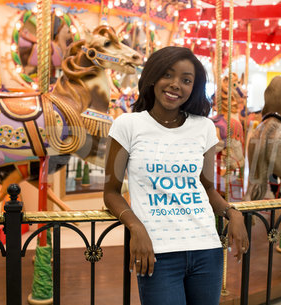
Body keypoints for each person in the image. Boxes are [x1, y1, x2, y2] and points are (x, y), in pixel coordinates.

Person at [104, 46, 249, 305]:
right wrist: (136, 227)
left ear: (194, 87)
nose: (175, 85)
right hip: (157, 252)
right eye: (168, 75)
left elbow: (207, 189)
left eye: (186, 80)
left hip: (206, 246)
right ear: (153, 77)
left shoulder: (203, 127)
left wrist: (232, 212)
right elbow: (111, 192)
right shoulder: (128, 125)